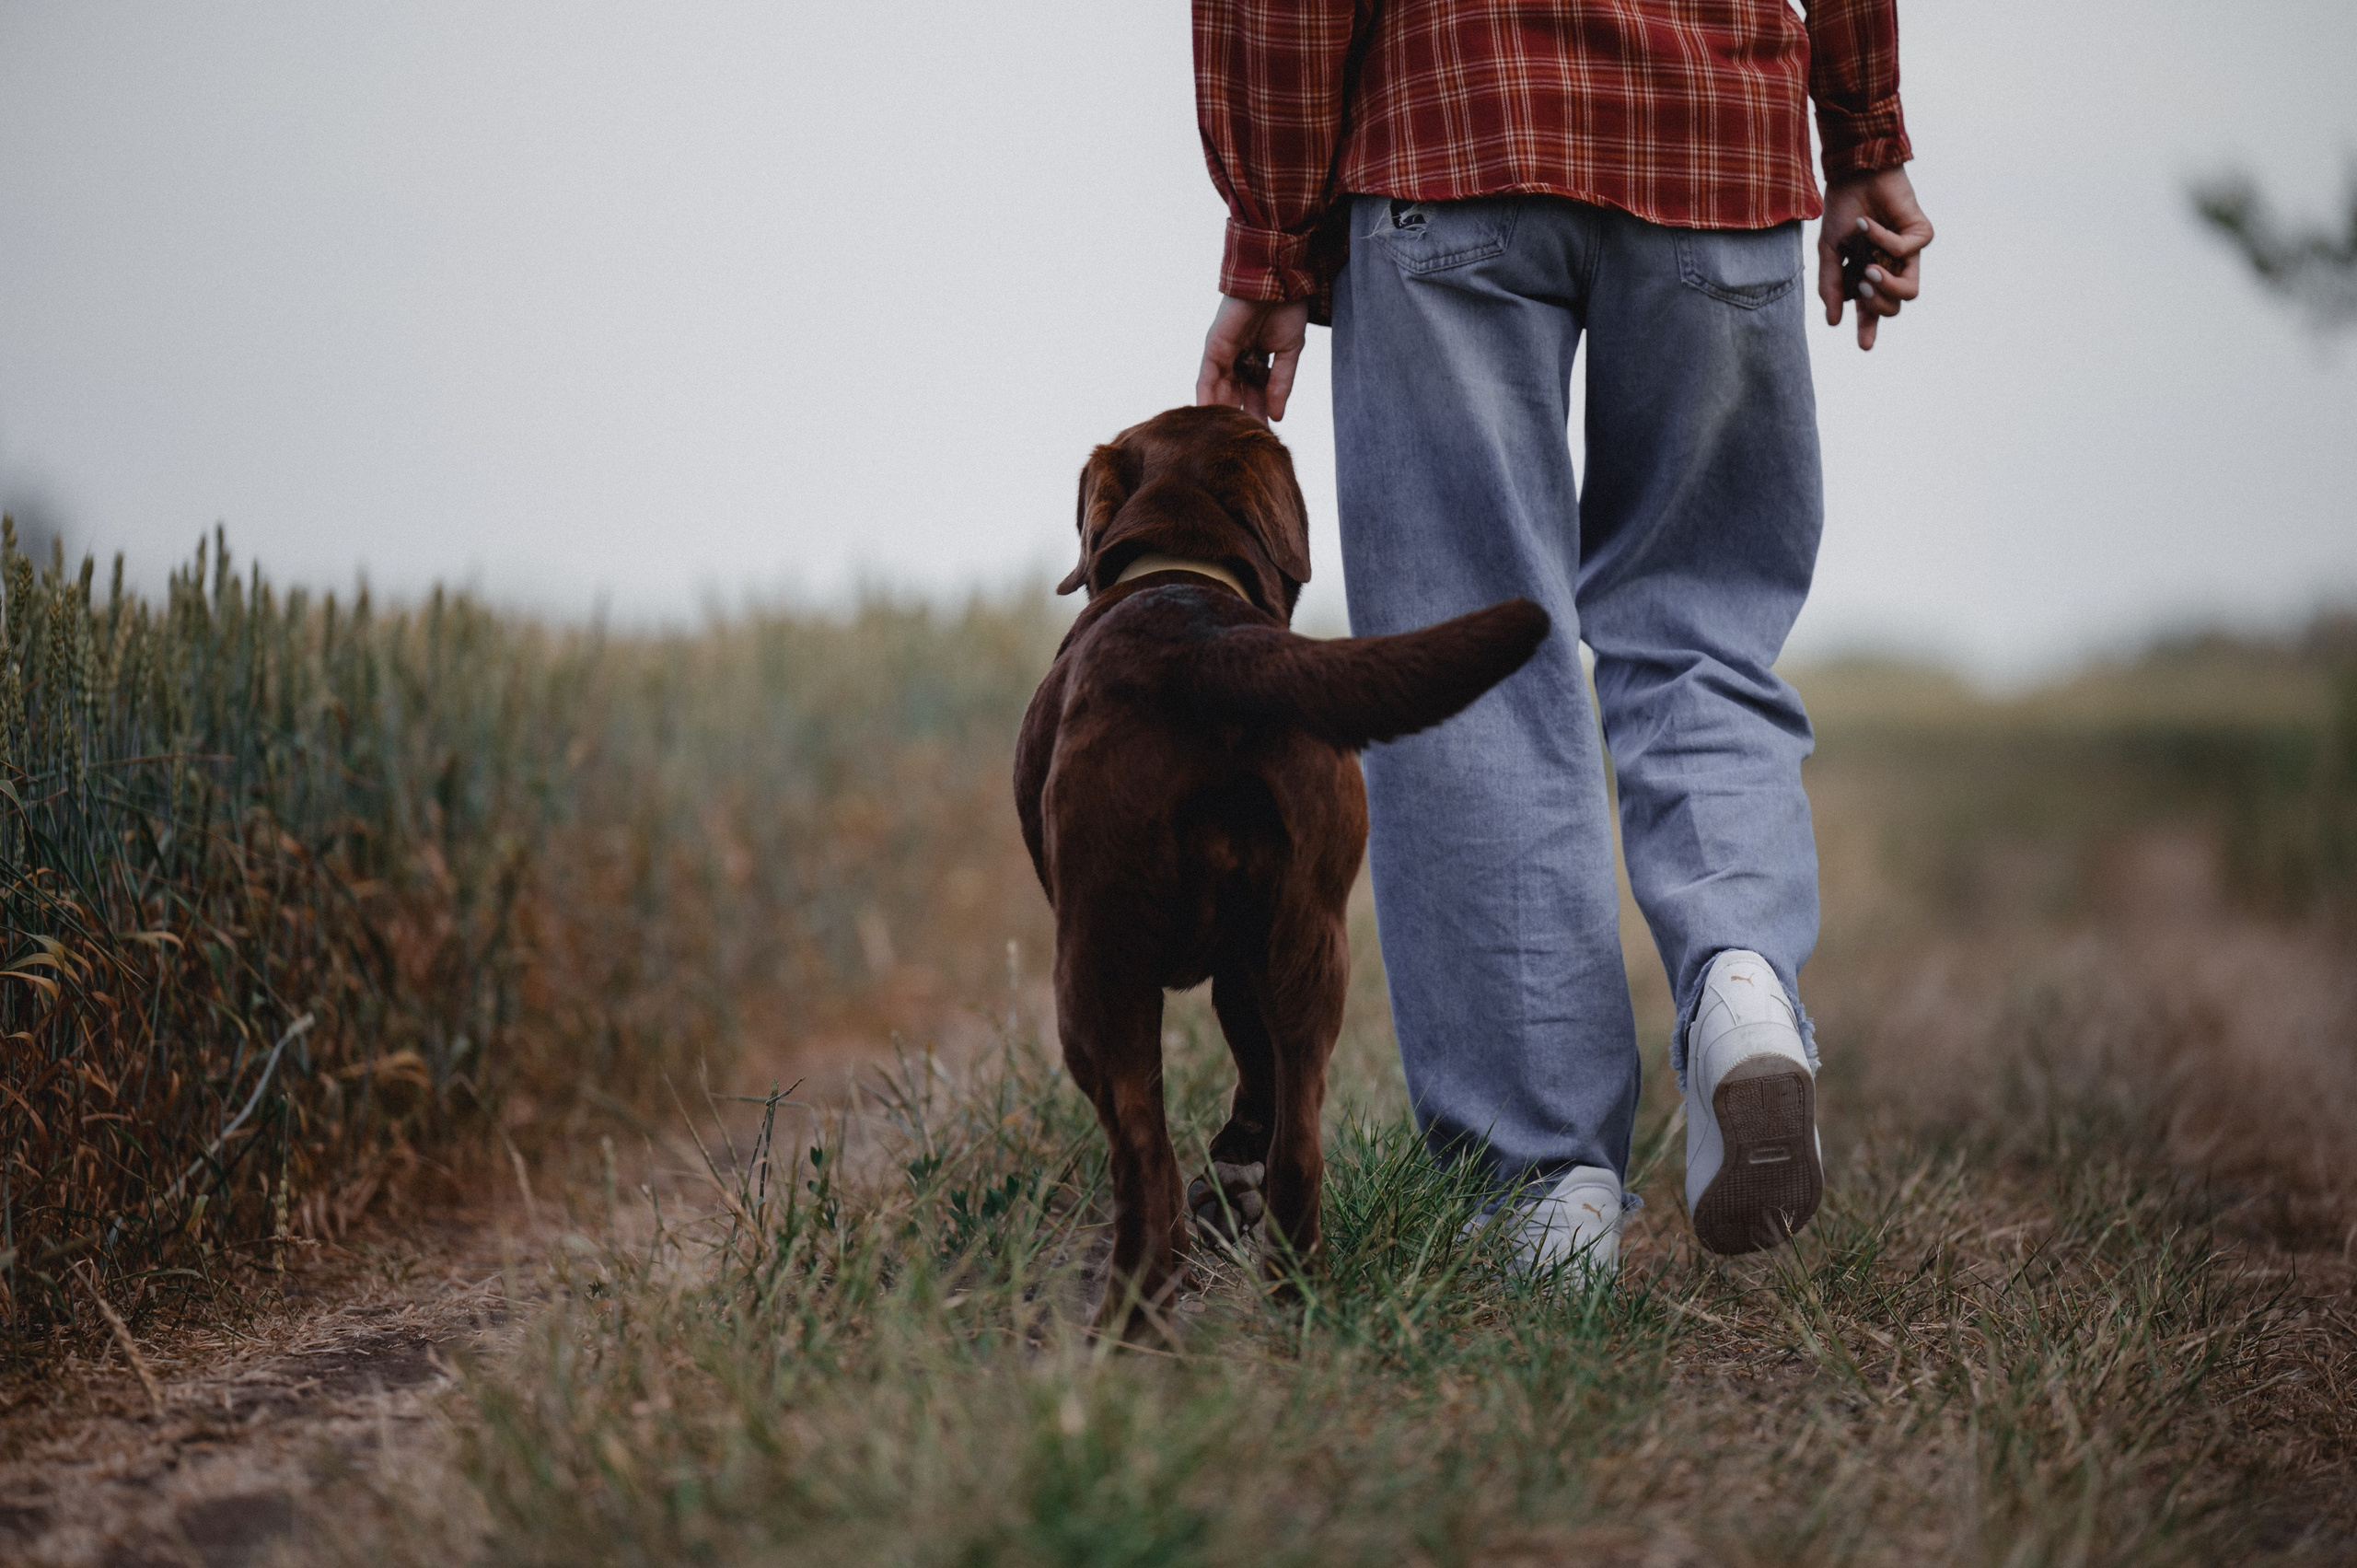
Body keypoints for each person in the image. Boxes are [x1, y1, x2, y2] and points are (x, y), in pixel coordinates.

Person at [1190, 0, 1933, 1271]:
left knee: (1473, 655)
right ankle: (1740, 981)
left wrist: (1268, 248)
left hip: (1452, 134)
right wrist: (1860, 134)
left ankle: (1544, 1191)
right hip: (1719, 133)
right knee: (1703, 635)